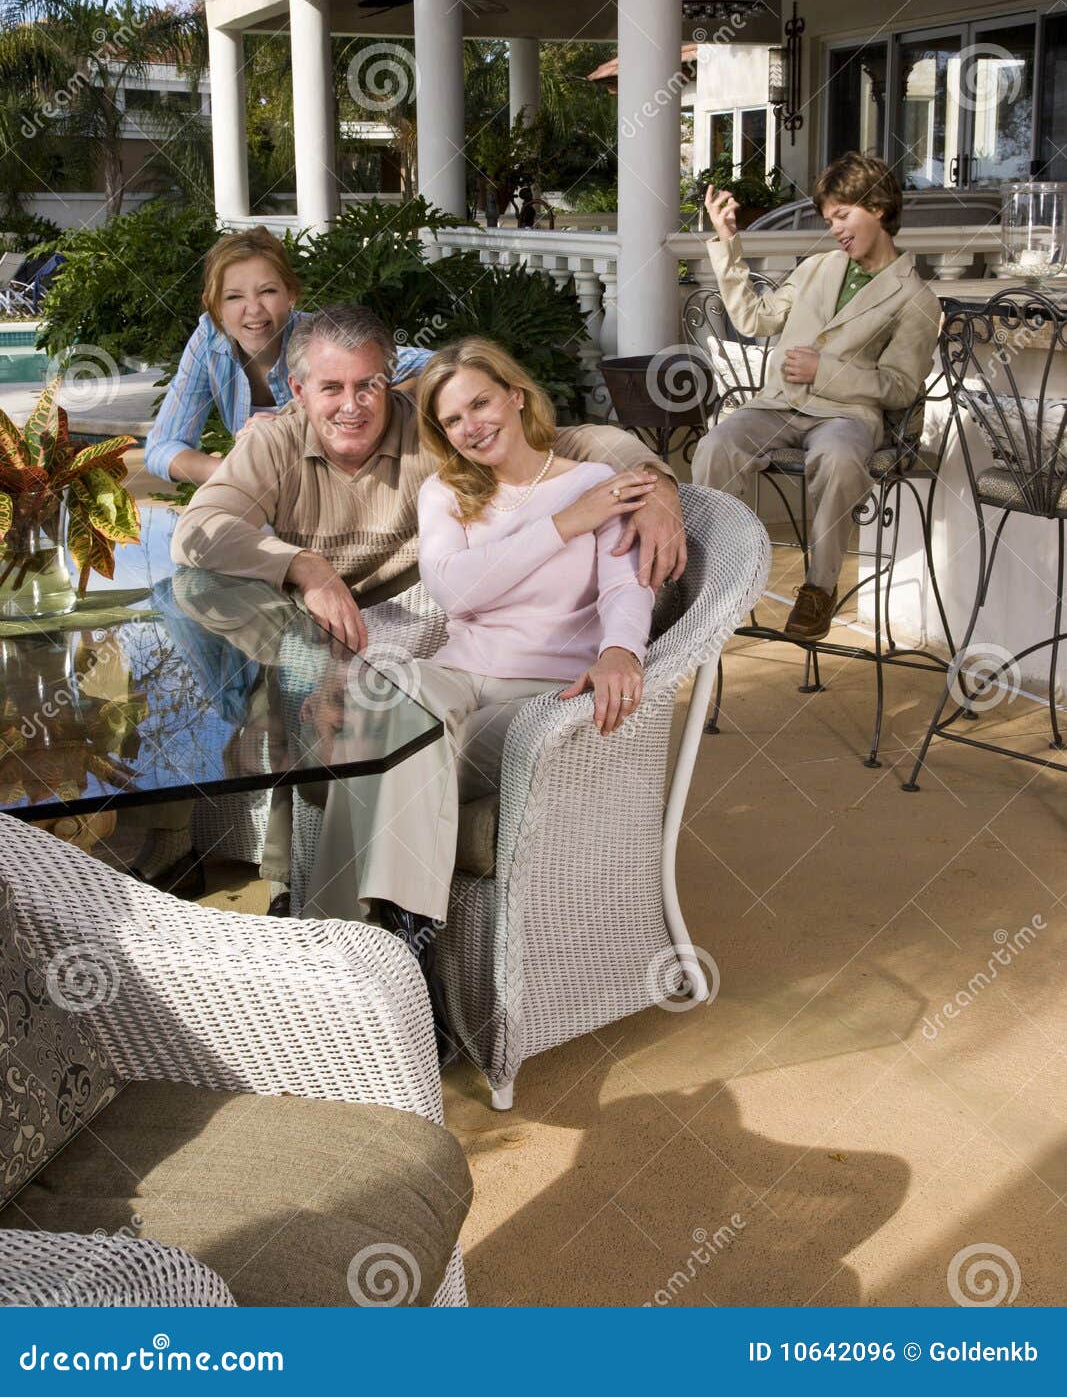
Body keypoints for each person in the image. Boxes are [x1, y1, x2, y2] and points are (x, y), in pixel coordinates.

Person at [302, 337, 655, 936]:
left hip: (538, 695)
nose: (472, 426)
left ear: (516, 396)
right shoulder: (446, 493)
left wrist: (621, 651)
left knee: (381, 740)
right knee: (399, 696)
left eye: (481, 404)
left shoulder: (595, 481)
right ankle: (402, 933)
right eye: (453, 420)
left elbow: (627, 586)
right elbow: (454, 591)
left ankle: (345, 932)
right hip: (455, 676)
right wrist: (567, 523)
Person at [170, 302, 686, 648]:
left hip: (419, 635)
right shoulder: (274, 442)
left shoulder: (434, 432)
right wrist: (307, 567)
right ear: (298, 391)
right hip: (311, 636)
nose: (351, 407)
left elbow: (570, 441)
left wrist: (654, 481)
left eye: (367, 385)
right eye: (331, 389)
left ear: (389, 379)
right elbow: (198, 530)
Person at [692, 152, 941, 642]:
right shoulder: (819, 267)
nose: (837, 230)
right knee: (717, 445)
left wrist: (823, 370)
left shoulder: (916, 299)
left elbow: (899, 386)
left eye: (844, 215)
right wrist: (728, 240)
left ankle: (819, 588)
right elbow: (755, 319)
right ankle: (710, 577)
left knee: (839, 457)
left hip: (845, 416)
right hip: (778, 405)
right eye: (830, 220)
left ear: (879, 207)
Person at [143, 226, 430, 485]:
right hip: (263, 498)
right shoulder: (209, 339)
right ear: (215, 306)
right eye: (233, 296)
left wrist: (385, 401)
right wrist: (235, 472)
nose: (253, 309)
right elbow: (162, 447)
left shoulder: (321, 339)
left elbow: (435, 365)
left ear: (290, 294)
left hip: (344, 489)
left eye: (267, 291)